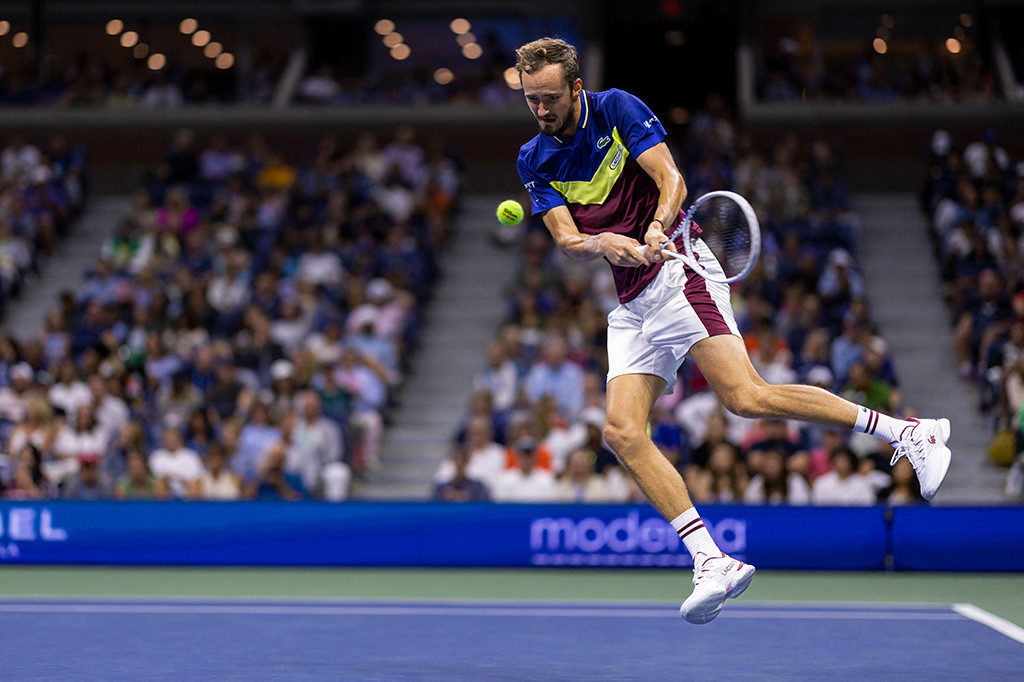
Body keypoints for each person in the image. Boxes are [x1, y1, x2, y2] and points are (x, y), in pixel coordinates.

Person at [513, 37, 952, 624]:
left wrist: (653, 227)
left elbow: (671, 178)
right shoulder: (533, 157)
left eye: (548, 98)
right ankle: (711, 559)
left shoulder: (616, 108)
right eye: (530, 100)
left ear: (574, 88)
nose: (540, 110)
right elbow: (567, 239)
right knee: (621, 432)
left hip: (677, 270)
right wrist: (602, 242)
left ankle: (908, 433)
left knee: (745, 397)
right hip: (632, 301)